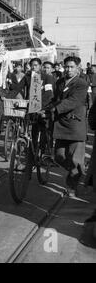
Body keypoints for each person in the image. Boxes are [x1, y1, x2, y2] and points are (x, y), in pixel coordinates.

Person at [48, 56, 88, 196]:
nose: (68, 69)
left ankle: (72, 186)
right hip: (61, 125)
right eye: (66, 67)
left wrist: (55, 109)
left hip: (75, 125)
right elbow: (55, 100)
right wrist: (45, 108)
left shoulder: (81, 84)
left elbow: (73, 101)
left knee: (75, 159)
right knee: (59, 156)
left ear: (78, 68)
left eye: (71, 67)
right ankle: (78, 172)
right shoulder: (59, 82)